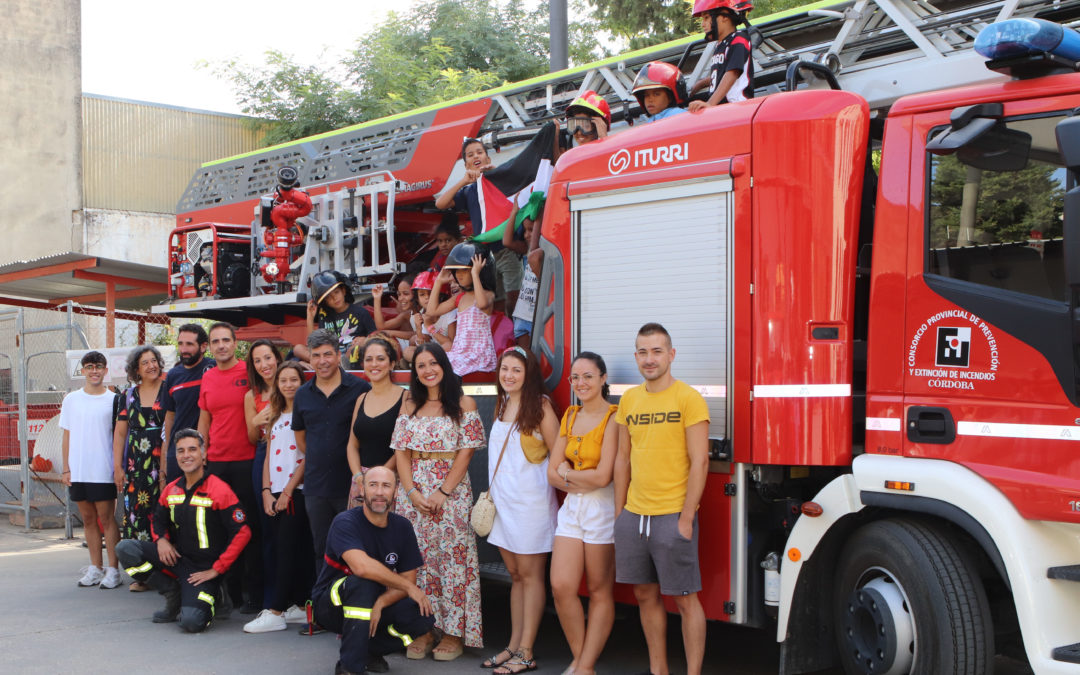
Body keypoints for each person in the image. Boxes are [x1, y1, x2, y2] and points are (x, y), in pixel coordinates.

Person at [614, 323, 710, 675]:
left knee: (685, 600)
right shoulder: (630, 399)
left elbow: (700, 460)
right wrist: (619, 513)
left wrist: (686, 518)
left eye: (657, 351)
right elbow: (622, 458)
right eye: (642, 351)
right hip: (634, 516)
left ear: (671, 355)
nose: (649, 359)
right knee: (645, 596)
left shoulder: (688, 398)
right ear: (636, 357)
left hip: (672, 515)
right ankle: (659, 670)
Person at [391, 343, 485, 660]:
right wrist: (412, 492)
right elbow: (401, 451)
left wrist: (442, 492)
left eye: (433, 363)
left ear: (443, 365)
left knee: (453, 562)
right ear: (415, 372)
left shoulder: (463, 402)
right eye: (421, 366)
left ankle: (455, 634)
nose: (428, 370)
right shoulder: (409, 404)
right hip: (414, 493)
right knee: (418, 563)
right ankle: (424, 629)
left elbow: (467, 451)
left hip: (452, 493)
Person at [116, 429, 252, 633]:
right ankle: (171, 592)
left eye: (192, 449)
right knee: (125, 549)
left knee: (191, 623)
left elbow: (243, 532)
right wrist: (161, 540)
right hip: (178, 560)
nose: (186, 455)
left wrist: (217, 569)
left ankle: (217, 595)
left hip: (205, 569)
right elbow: (158, 520)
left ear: (204, 454)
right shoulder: (171, 489)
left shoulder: (220, 490)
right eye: (180, 451)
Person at [313, 466, 436, 675]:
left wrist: (381, 602)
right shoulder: (345, 522)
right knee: (363, 584)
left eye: (386, 486)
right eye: (373, 485)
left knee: (422, 615)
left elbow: (409, 578)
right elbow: (362, 567)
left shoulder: (402, 527)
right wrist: (407, 586)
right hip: (331, 604)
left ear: (396, 491)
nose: (379, 492)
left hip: (372, 600)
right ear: (362, 490)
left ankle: (368, 651)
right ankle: (350, 668)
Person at [483, 347, 559, 674]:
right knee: (515, 577)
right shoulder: (501, 404)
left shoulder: (540, 406)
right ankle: (513, 645)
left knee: (531, 576)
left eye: (516, 370)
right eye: (505, 369)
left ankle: (527, 651)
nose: (509, 376)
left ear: (528, 374)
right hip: (503, 505)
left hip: (532, 506)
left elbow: (558, 455)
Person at [548, 352, 619, 675]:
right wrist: (572, 477)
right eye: (575, 377)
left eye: (588, 376)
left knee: (599, 591)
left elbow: (603, 477)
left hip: (602, 507)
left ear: (603, 379)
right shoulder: (571, 415)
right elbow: (551, 472)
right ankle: (583, 662)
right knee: (561, 586)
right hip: (573, 507)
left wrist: (567, 475)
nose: (581, 383)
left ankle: (583, 665)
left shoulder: (615, 418)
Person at [293, 329, 370, 585]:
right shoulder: (303, 394)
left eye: (328, 354)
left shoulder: (360, 389)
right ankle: (324, 610)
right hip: (316, 487)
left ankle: (354, 612)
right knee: (322, 550)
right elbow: (302, 440)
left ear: (339, 356)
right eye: (316, 355)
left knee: (359, 550)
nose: (322, 360)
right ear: (310, 359)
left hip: (352, 484)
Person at [243, 361, 314, 633]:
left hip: (295, 491)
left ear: (302, 382)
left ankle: (276, 610)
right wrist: (265, 491)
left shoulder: (304, 414)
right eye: (283, 380)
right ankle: (296, 605)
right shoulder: (273, 414)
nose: (288, 385)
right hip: (273, 490)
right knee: (280, 547)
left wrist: (286, 492)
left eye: (293, 380)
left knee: (288, 550)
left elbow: (308, 457)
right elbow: (267, 456)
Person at [197, 322, 262, 614]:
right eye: (215, 341)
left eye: (226, 340)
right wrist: (200, 454)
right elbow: (205, 419)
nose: (221, 345)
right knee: (220, 529)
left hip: (247, 461)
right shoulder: (208, 377)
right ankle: (228, 591)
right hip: (217, 464)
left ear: (235, 343)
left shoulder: (249, 374)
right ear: (209, 347)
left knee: (248, 527)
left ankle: (253, 592)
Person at [434, 138, 523, 312]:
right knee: (493, 301)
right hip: (485, 256)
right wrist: (463, 181)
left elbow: (518, 186)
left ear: (488, 159)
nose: (476, 156)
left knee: (514, 299)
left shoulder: (499, 182)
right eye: (470, 154)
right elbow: (440, 204)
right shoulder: (469, 191)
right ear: (466, 164)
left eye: (480, 152)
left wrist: (497, 173)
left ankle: (516, 336)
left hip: (508, 249)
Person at [61, 350, 122, 589]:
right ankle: (96, 568)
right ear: (83, 371)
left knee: (107, 519)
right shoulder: (71, 399)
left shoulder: (114, 400)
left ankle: (113, 570)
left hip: (103, 470)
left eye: (98, 366)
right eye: (89, 366)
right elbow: (66, 435)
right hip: (79, 471)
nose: (94, 370)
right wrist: (66, 468)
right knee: (88, 519)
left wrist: (117, 468)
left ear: (105, 370)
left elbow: (119, 436)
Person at [243, 338, 284, 609]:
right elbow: (250, 436)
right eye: (258, 360)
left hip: (292, 456)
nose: (264, 365)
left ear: (277, 358)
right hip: (263, 455)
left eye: (267, 358)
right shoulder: (251, 396)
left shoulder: (292, 384)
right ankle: (270, 597)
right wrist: (257, 421)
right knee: (267, 526)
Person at [113, 346, 166, 553]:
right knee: (137, 512)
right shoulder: (127, 396)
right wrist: (117, 467)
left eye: (154, 361)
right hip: (136, 468)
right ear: (136, 369)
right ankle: (141, 569)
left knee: (164, 510)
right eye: (145, 362)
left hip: (164, 461)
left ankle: (167, 567)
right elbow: (119, 434)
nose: (151, 366)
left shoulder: (168, 389)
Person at [346, 337, 406, 508]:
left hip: (392, 482)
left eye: (380, 359)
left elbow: (404, 447)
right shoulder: (361, 399)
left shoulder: (406, 398)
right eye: (369, 359)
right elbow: (352, 444)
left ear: (392, 363)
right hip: (361, 485)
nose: (374, 364)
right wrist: (359, 477)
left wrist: (377, 478)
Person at [428, 242, 497, 376]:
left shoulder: (488, 294)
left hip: (478, 353)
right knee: (434, 361)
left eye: (465, 270)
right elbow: (431, 311)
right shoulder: (459, 298)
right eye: (457, 271)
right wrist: (438, 282)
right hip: (459, 351)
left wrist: (475, 274)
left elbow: (482, 304)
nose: (459, 275)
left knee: (446, 366)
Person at [161, 323, 214, 485]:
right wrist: (170, 452)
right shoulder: (173, 376)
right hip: (180, 453)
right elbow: (170, 416)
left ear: (203, 346)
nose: (183, 349)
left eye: (189, 344)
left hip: (209, 453)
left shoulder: (213, 368)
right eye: (180, 344)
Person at [296, 270, 377, 367]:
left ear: (343, 291)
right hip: (329, 355)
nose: (335, 298)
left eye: (336, 292)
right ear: (325, 302)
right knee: (298, 348)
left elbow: (375, 337)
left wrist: (365, 340)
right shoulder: (325, 317)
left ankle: (342, 363)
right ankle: (327, 363)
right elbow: (314, 343)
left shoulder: (360, 312)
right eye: (329, 297)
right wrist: (310, 318)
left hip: (354, 355)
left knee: (356, 347)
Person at [688, 0, 754, 111]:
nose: (703, 24)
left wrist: (710, 103)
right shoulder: (720, 45)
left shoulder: (738, 39)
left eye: (706, 18)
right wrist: (699, 85)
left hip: (737, 109)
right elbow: (720, 74)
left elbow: (732, 73)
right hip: (722, 109)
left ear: (724, 16)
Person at [501, 198, 544, 348]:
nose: (526, 234)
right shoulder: (525, 250)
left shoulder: (541, 253)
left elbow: (534, 251)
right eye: (525, 230)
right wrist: (514, 212)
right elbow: (506, 241)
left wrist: (540, 209)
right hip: (523, 312)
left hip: (537, 315)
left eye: (531, 229)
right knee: (526, 361)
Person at [406, 271, 456, 363]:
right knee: (408, 350)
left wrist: (430, 327)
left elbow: (451, 343)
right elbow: (424, 343)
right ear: (417, 299)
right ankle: (425, 362)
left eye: (431, 293)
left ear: (440, 296)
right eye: (422, 294)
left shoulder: (449, 313)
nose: (427, 298)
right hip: (431, 351)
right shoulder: (421, 315)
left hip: (447, 351)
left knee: (447, 346)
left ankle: (424, 362)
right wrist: (419, 330)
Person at [371, 277, 417, 362]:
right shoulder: (407, 314)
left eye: (406, 294)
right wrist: (377, 298)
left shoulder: (426, 312)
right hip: (410, 347)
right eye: (399, 294)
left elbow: (419, 334)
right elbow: (381, 326)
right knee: (377, 335)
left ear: (416, 294)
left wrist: (391, 333)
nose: (401, 298)